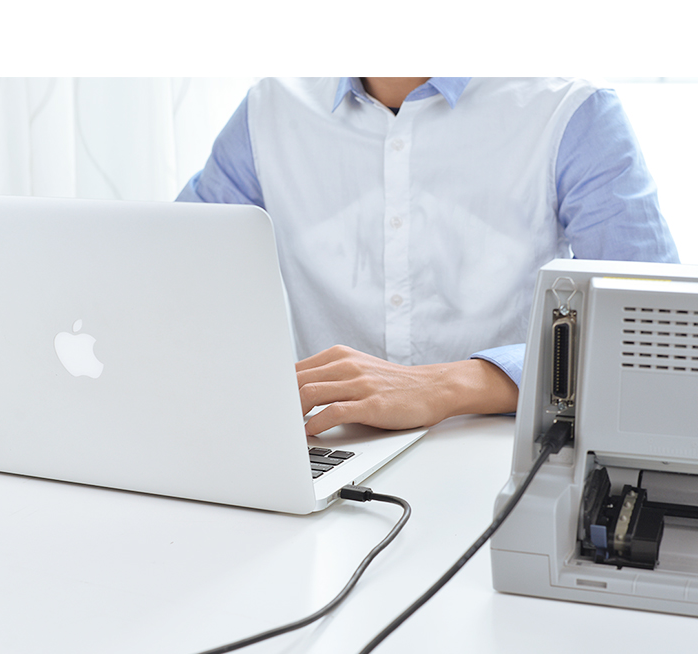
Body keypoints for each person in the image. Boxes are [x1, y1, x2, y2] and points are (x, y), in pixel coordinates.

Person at [177, 77, 679, 435]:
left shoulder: (570, 111)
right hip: (331, 451)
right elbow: (168, 277)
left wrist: (449, 385)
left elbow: (657, 339)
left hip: (505, 457)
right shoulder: (269, 110)